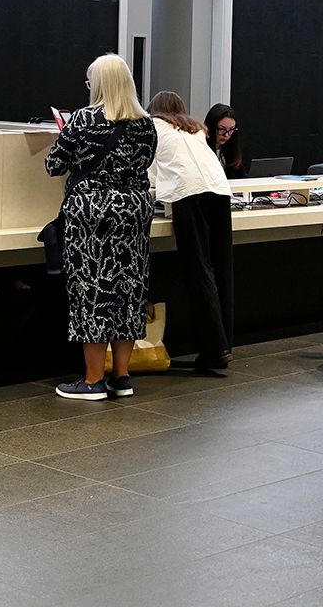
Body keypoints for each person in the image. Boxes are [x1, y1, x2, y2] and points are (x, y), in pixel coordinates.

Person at [45, 54, 158, 400]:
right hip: (134, 212)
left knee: (92, 290)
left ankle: (93, 380)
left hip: (92, 215)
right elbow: (147, 161)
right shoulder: (146, 123)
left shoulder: (83, 119)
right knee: (128, 289)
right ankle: (121, 377)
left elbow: (54, 164)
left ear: (98, 84)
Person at [146, 91, 234, 370]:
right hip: (219, 191)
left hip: (189, 194)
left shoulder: (153, 127)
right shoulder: (196, 128)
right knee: (221, 267)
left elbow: (151, 174)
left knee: (199, 270)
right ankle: (225, 341)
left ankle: (215, 349)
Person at [203, 103, 249, 179]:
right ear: (210, 127)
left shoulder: (230, 150)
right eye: (222, 129)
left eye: (231, 130)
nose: (226, 135)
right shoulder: (201, 150)